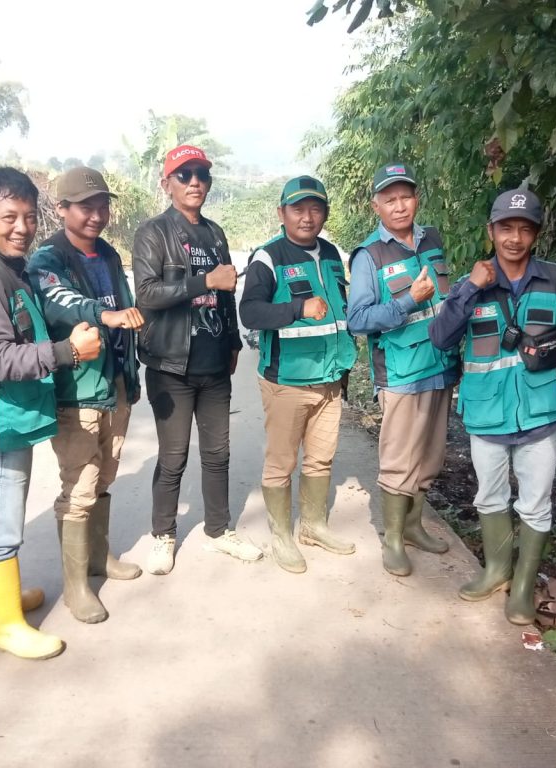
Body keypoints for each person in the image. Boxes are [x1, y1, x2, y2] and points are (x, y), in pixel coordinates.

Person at [0, 168, 101, 659]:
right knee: (1, 522)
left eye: (30, 217)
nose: (22, 228)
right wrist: (67, 352)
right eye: (9, 217)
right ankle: (6, 626)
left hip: (7, 415)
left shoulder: (5, 265)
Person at [430, 187, 556, 624]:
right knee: (490, 495)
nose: (515, 238)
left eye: (525, 229)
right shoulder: (471, 283)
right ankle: (497, 571)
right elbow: (441, 338)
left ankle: (522, 588)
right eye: (506, 228)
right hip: (487, 412)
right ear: (491, 231)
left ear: (537, 234)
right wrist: (469, 290)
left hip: (541, 410)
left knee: (535, 502)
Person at [132, 144, 262, 575]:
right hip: (171, 366)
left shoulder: (216, 234)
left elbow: (226, 294)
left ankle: (219, 530)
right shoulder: (153, 233)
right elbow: (147, 294)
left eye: (201, 175)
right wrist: (204, 280)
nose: (194, 183)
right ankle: (163, 535)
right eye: (184, 175)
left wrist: (234, 343)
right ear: (166, 183)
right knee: (173, 457)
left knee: (218, 453)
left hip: (214, 363)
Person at [28, 166, 144, 624]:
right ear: (61, 209)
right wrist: (104, 315)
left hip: (116, 384)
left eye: (102, 205)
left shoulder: (109, 254)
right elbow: (60, 302)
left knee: (105, 475)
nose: (97, 215)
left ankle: (99, 558)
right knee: (79, 486)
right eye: (85, 207)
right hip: (76, 390)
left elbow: (127, 305)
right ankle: (76, 588)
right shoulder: (47, 260)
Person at [239, 176, 357, 573]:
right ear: (282, 213)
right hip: (286, 380)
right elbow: (249, 312)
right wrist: (297, 309)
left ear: (325, 213)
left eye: (315, 208)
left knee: (321, 460)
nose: (307, 217)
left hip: (329, 379)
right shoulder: (268, 257)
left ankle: (313, 526)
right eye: (298, 209)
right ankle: (281, 536)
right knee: (281, 463)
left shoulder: (331, 254)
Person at [347, 163, 460, 577]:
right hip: (401, 373)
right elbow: (357, 319)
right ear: (376, 206)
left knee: (430, 459)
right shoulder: (369, 256)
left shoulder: (432, 239)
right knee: (399, 462)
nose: (399, 206)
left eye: (405, 197)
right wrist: (409, 299)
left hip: (441, 365)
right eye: (389, 199)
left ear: (417, 199)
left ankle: (413, 526)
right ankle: (393, 539)